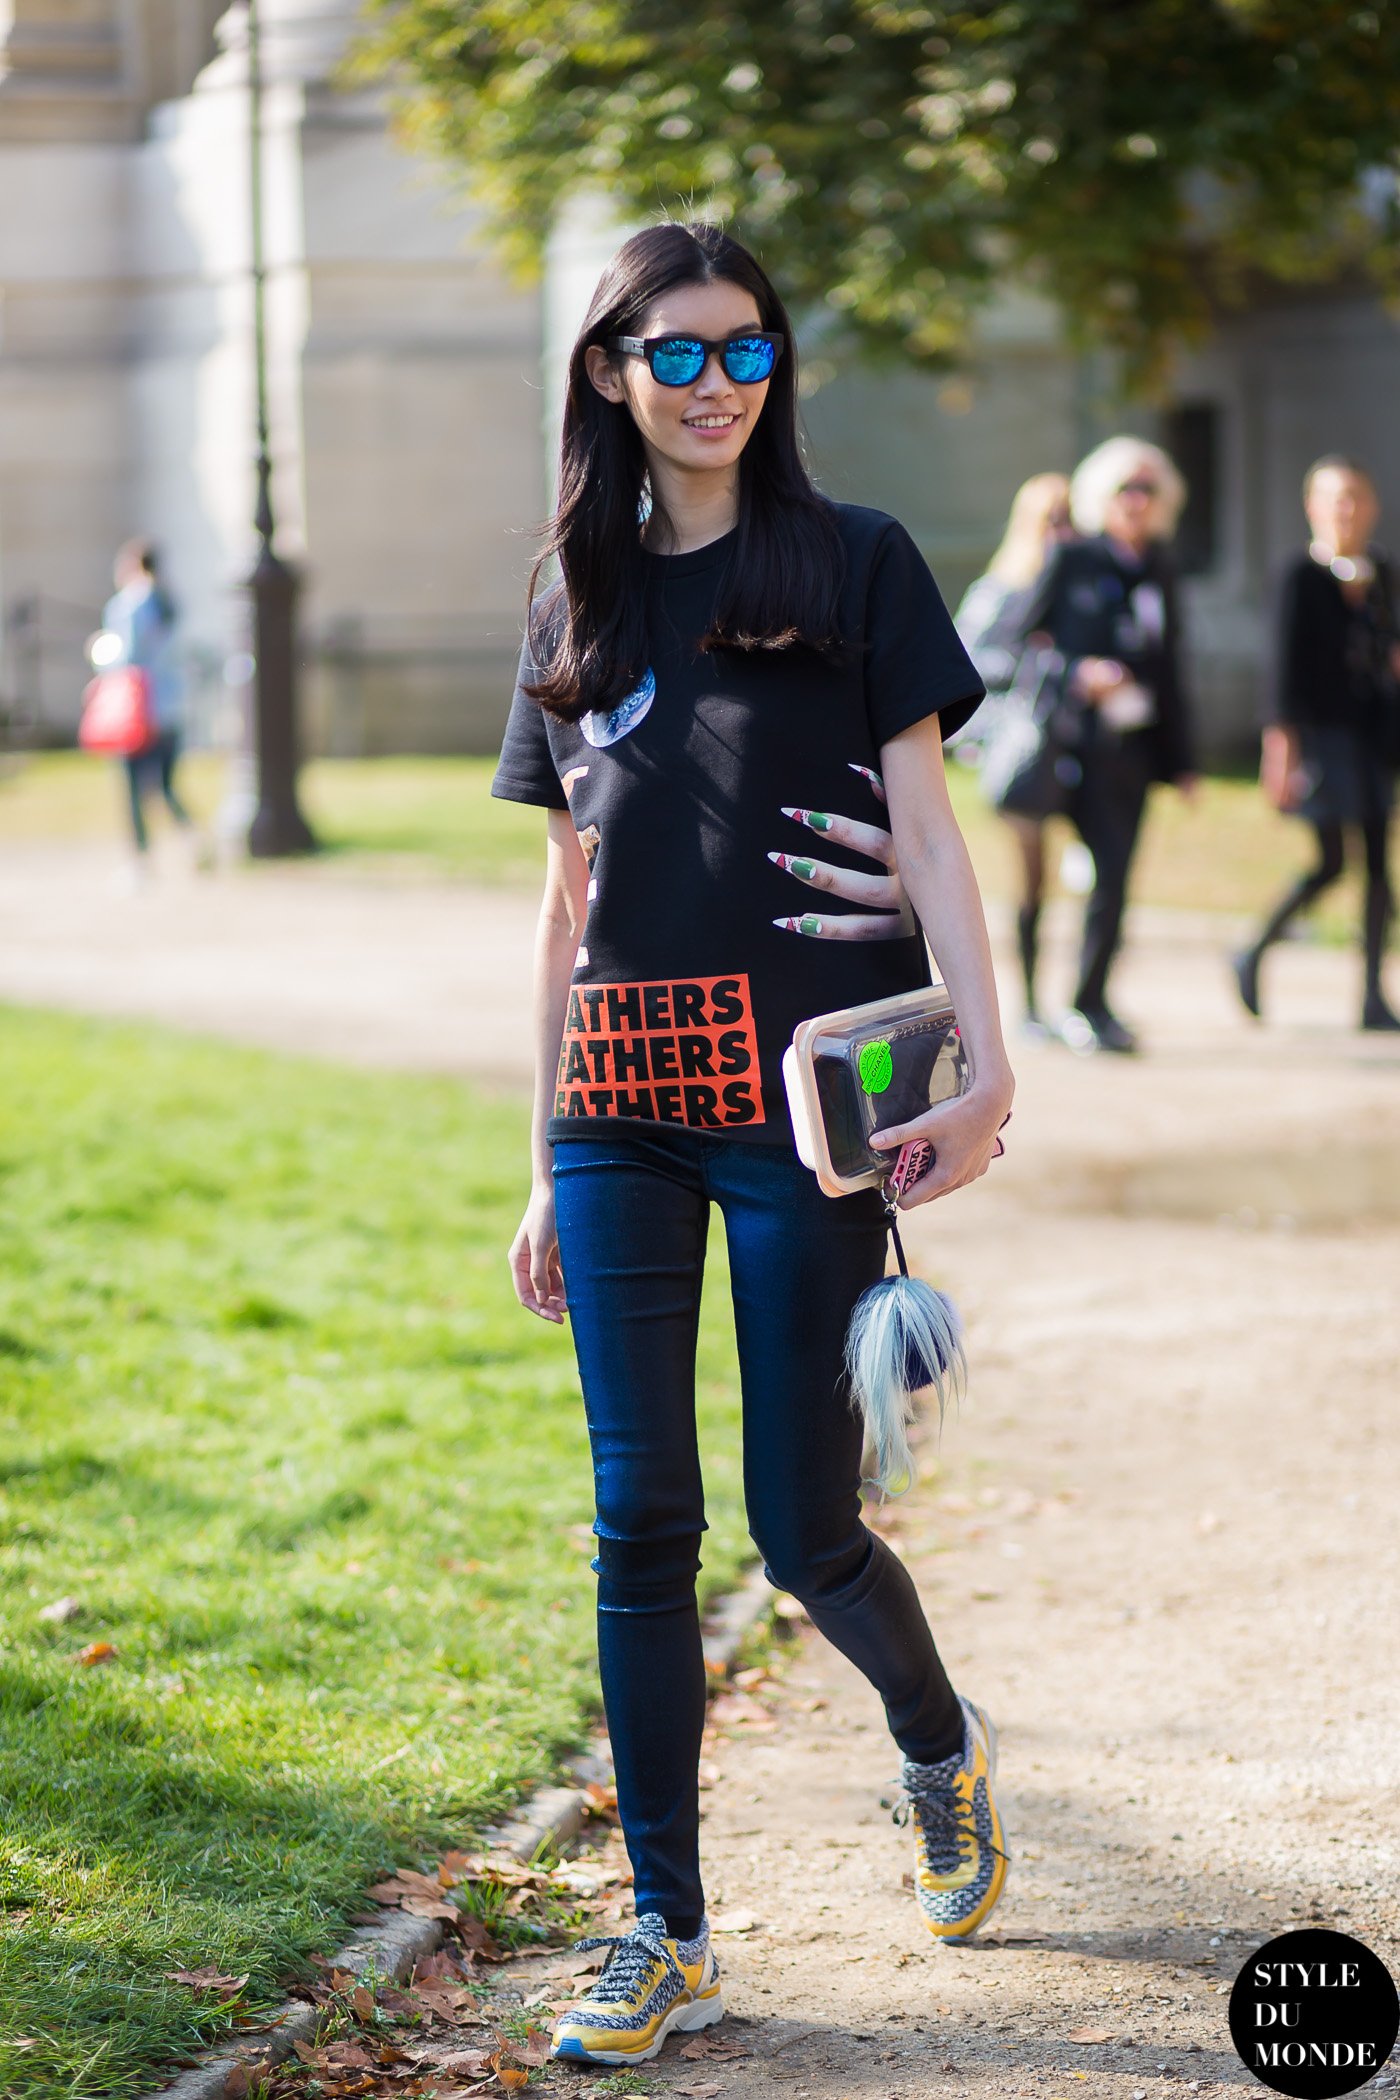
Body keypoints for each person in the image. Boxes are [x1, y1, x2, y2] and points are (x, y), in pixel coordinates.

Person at [491, 222, 1015, 2069]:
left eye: (746, 350)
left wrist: (988, 1064)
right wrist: (541, 1156)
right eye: (677, 352)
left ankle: (939, 1748)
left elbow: (930, 834)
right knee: (641, 1525)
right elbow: (568, 901)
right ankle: (665, 1926)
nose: (716, 384)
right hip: (619, 1118)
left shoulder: (853, 561)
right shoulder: (572, 592)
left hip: (804, 1117)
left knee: (804, 1531)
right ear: (611, 373)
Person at [1008, 436, 1197, 1053]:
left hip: (1133, 751)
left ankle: (1091, 1001)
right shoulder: (1073, 558)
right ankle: (1051, 1004)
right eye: (1125, 489)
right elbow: (1016, 643)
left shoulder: (1161, 566)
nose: (1137, 502)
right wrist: (1078, 673)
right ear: (1100, 495)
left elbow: (1171, 668)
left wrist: (1184, 761)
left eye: (1149, 490)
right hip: (1070, 748)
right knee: (1065, 874)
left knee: (1115, 877)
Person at [1232, 456, 1400, 1031]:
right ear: (1314, 507)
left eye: (1357, 497)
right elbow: (1280, 672)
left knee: (1380, 865)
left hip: (1373, 737)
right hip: (1322, 736)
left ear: (1372, 507)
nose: (1347, 509)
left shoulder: (1380, 572)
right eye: (1336, 498)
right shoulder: (1298, 574)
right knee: (1331, 862)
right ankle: (1253, 950)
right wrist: (1281, 749)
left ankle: (1373, 996)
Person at [954, 473, 1074, 1032]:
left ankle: (1078, 999)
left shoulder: (1081, 588)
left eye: (1068, 517)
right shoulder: (1001, 588)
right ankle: (1027, 1003)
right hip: (1023, 752)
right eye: (1051, 518)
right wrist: (1030, 660)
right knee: (1032, 882)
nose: (1061, 530)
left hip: (1078, 752)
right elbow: (967, 666)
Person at [101, 539, 192, 860]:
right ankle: (191, 838)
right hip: (172, 706)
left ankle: (139, 858)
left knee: (133, 788)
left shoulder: (129, 604)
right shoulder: (169, 601)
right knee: (166, 786)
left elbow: (126, 658)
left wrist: (98, 653)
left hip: (138, 710)